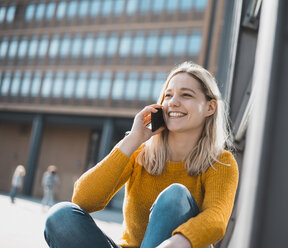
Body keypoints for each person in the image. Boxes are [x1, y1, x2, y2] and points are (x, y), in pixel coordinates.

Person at [44, 62, 239, 248]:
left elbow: (216, 219)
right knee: (60, 216)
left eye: (186, 95)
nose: (173, 102)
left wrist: (179, 241)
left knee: (175, 196)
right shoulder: (139, 151)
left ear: (210, 107)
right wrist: (134, 138)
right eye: (168, 95)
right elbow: (83, 199)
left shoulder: (221, 162)